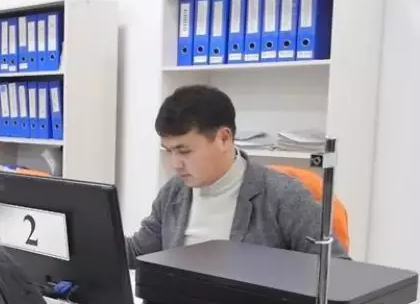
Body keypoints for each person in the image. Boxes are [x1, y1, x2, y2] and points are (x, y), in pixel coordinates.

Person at [126, 84, 349, 266]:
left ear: (224, 138)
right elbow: (138, 251)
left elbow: (339, 272)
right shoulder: (173, 191)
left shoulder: (285, 197)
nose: (175, 164)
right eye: (168, 151)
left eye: (184, 151)